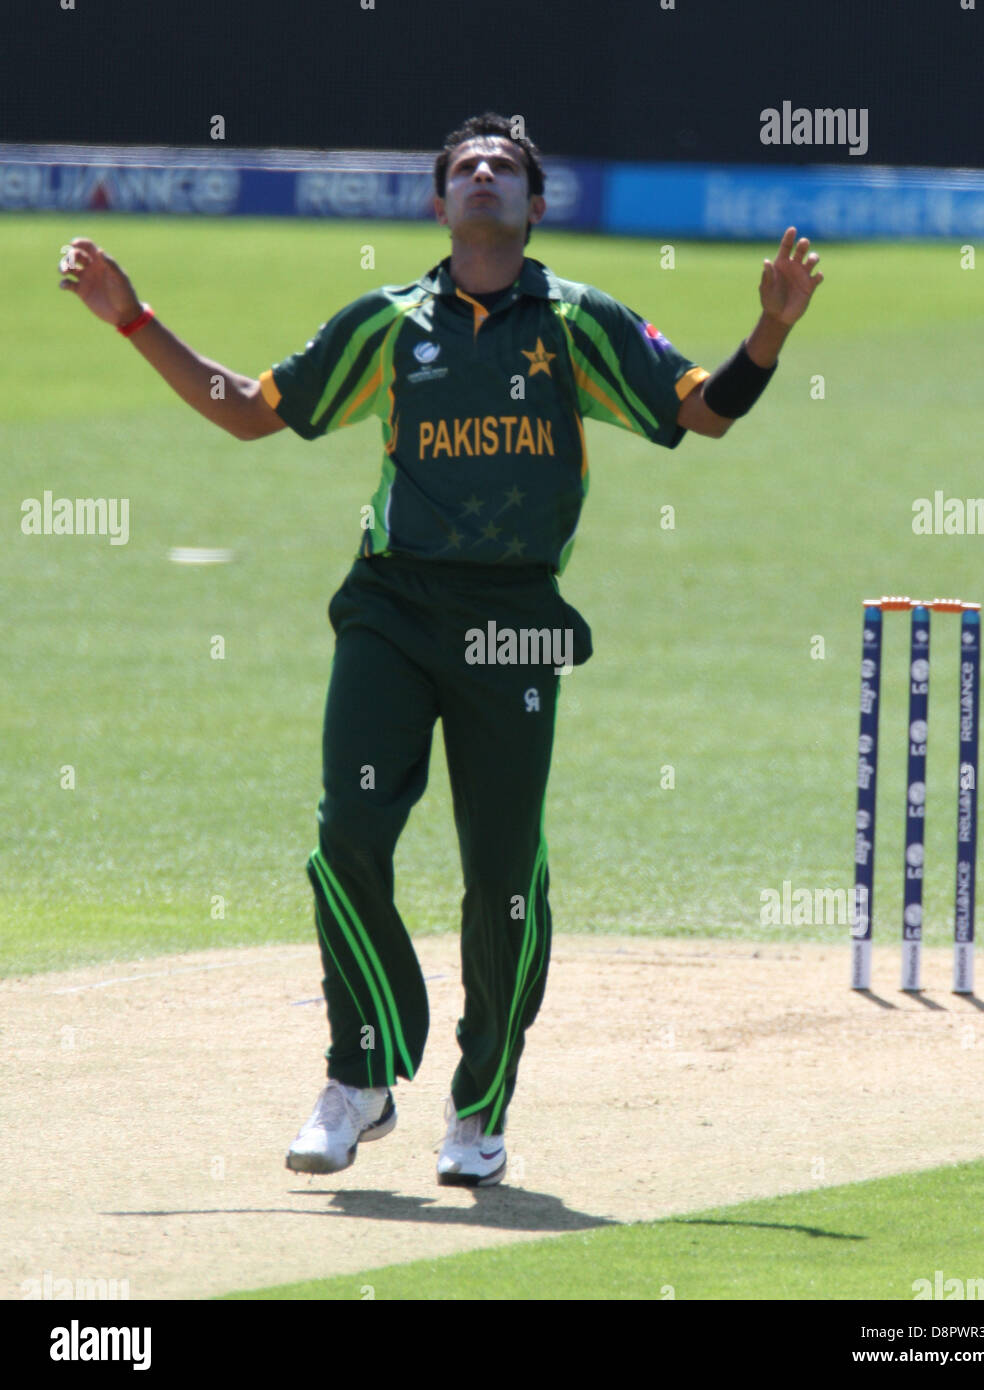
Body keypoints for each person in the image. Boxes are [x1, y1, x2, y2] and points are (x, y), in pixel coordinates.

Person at [58, 112, 822, 1188]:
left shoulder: (576, 322)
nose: (480, 176)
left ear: (532, 206)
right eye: (463, 166)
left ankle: (476, 1110)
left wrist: (769, 334)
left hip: (512, 620)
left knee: (502, 880)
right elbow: (251, 413)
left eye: (503, 167)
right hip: (392, 606)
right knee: (345, 834)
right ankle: (357, 1073)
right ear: (436, 203)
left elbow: (699, 412)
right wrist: (134, 319)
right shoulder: (388, 322)